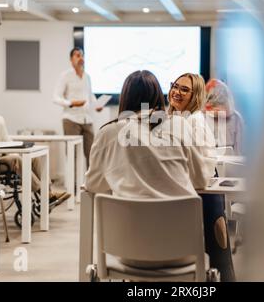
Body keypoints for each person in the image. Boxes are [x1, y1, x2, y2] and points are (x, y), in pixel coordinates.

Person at [84, 70, 215, 268]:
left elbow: (94, 185)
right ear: (158, 96)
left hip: (127, 252)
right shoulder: (180, 124)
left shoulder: (107, 133)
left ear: (124, 98)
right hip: (183, 249)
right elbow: (200, 181)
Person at [167, 73, 236, 281]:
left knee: (216, 256)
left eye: (184, 89)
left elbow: (200, 170)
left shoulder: (195, 122)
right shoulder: (176, 118)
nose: (176, 92)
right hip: (193, 192)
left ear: (195, 95)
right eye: (175, 86)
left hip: (205, 194)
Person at [0, 87, 70, 208]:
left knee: (34, 158)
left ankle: (49, 191)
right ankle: (45, 194)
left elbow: (7, 141)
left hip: (2, 157)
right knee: (16, 159)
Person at [53, 47, 103, 168]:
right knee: (72, 154)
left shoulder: (87, 77)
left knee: (92, 153)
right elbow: (55, 97)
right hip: (71, 119)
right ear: (71, 59)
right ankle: (73, 185)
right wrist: (71, 103)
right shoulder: (65, 76)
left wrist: (97, 105)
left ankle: (91, 184)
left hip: (87, 119)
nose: (81, 58)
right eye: (77, 55)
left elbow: (89, 95)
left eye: (82, 55)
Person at [204, 79, 244, 155]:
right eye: (214, 105)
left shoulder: (236, 118)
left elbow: (239, 151)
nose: (217, 110)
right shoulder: (201, 118)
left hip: (231, 163)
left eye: (220, 104)